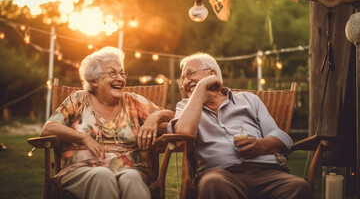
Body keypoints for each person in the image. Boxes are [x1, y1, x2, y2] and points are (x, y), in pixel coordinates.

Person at [167, 52, 313, 199]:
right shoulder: (185, 107)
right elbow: (184, 134)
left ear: (212, 73)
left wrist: (261, 145)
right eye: (182, 79)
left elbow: (283, 138)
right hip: (220, 174)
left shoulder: (249, 100)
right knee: (213, 184)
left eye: (190, 74)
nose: (186, 82)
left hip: (267, 173)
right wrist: (201, 87)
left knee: (298, 186)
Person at [41, 46, 174, 199]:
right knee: (102, 175)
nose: (121, 78)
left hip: (132, 169)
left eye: (122, 73)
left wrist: (154, 118)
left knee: (131, 179)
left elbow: (173, 117)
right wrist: (83, 138)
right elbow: (48, 128)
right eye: (113, 73)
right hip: (81, 170)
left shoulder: (133, 101)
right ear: (94, 80)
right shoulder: (78, 99)